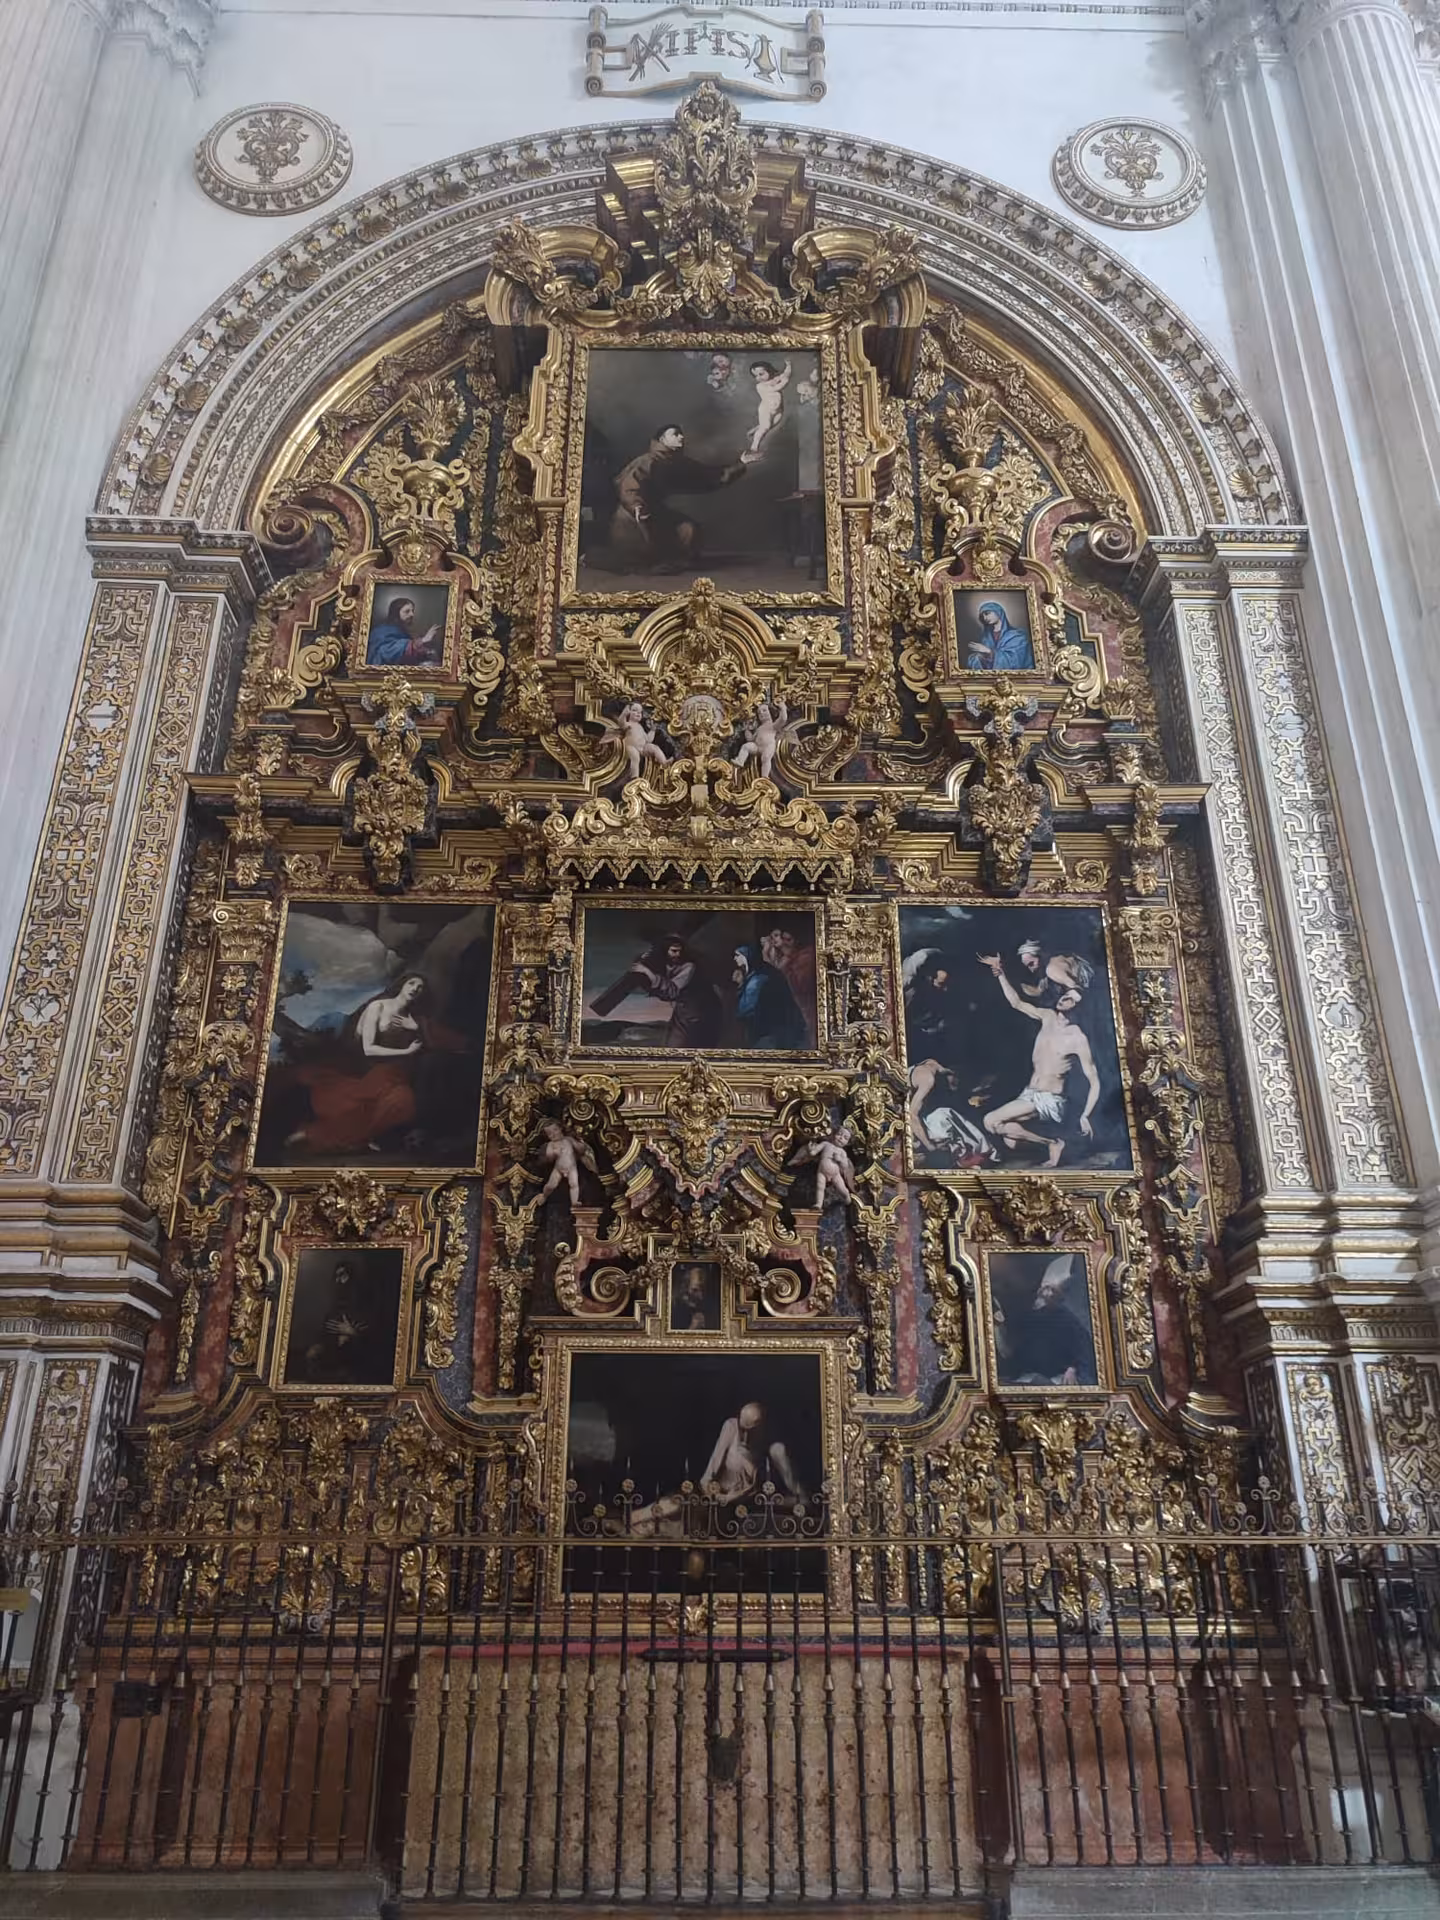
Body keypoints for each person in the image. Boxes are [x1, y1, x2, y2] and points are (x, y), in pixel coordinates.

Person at [284, 974, 434, 1156]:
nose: (415, 989)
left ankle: (349, 1137)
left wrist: (415, 1028)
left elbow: (426, 1045)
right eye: (411, 983)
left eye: (420, 987)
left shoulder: (413, 1019)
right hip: (377, 1073)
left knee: (401, 1101)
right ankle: (312, 1134)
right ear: (402, 984)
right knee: (367, 1104)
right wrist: (406, 1052)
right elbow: (369, 1049)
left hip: (398, 1074)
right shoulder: (377, 1007)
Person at [977, 954, 1101, 1166]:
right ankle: (1052, 1142)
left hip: (1050, 1099)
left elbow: (1094, 1080)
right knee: (1010, 1140)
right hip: (1030, 1093)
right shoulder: (1047, 1016)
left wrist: (1085, 1115)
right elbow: (1016, 1003)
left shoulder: (1077, 1038)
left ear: (1079, 1005)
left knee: (990, 1121)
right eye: (1064, 996)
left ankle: (1052, 1143)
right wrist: (1000, 973)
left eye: (1072, 998)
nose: (1064, 999)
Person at [626, 1402, 804, 1537]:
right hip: (710, 1495)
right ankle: (626, 1522)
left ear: (763, 1426)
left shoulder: (775, 1449)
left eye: (752, 1430)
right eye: (743, 1429)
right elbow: (708, 1476)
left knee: (687, 1525)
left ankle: (635, 1532)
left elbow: (801, 1498)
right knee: (675, 1504)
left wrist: (761, 1499)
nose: (745, 1436)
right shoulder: (731, 1427)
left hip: (735, 1509)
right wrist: (716, 1495)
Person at [608, 425, 746, 571]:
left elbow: (709, 476)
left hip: (656, 510)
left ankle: (673, 561)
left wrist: (741, 464)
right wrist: (636, 506)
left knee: (688, 529)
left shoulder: (680, 463)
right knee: (638, 557)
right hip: (633, 514)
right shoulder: (646, 461)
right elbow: (628, 486)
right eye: (675, 434)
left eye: (681, 434)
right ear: (662, 439)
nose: (681, 437)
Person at [587, 933, 724, 1047]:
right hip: (684, 1012)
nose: (677, 954)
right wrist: (644, 964)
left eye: (679, 951)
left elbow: (671, 991)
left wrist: (648, 972)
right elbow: (655, 985)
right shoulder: (663, 964)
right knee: (674, 1048)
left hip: (702, 1012)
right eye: (674, 951)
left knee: (693, 1047)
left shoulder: (688, 966)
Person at [994, 1255, 1097, 1386]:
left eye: (1052, 1291)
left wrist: (1072, 1369)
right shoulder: (1028, 1317)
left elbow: (1082, 1351)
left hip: (1059, 1378)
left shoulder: (1067, 1319)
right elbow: (1014, 1352)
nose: (1048, 1294)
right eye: (1045, 1290)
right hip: (1028, 1377)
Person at [733, 944, 807, 1049]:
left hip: (772, 1032)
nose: (735, 958)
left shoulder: (758, 979)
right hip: (771, 1029)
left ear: (746, 957)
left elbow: (745, 1009)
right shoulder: (753, 975)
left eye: (738, 955)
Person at [366, 595, 442, 667]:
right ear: (396, 613)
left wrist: (426, 652)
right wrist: (423, 640)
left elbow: (407, 654)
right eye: (407, 611)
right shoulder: (381, 632)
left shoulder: (401, 631)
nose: (412, 614)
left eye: (412, 611)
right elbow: (387, 652)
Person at [966, 601, 1034, 672]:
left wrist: (989, 652)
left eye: (987, 613)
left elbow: (1017, 660)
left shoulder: (1017, 636)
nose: (985, 618)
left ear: (998, 612)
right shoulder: (986, 638)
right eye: (982, 616)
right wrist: (980, 657)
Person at [743, 359, 792, 459]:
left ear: (769, 371)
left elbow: (786, 374)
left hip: (778, 410)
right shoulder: (760, 386)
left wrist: (788, 366)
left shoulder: (774, 380)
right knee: (765, 427)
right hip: (766, 410)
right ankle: (754, 447)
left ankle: (757, 428)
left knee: (770, 426)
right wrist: (785, 382)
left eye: (761, 374)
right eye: (755, 376)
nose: (758, 377)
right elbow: (776, 388)